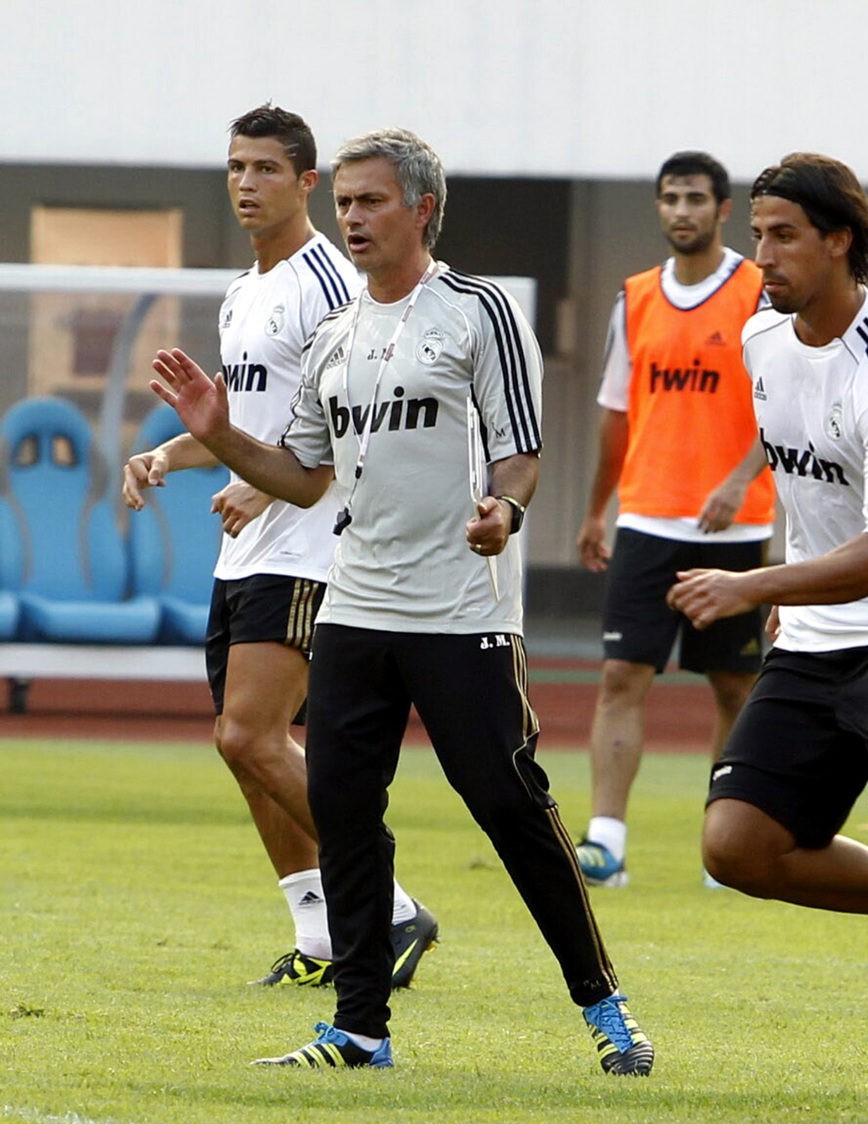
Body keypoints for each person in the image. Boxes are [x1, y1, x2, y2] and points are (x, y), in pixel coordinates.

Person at [149, 127, 654, 1075]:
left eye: (371, 201)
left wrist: (503, 507)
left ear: (422, 208)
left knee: (508, 805)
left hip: (461, 610)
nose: (352, 218)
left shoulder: (480, 313)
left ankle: (606, 1009)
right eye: (344, 201)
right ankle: (360, 1030)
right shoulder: (338, 334)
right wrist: (218, 435)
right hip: (354, 606)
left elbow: (521, 452)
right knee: (342, 805)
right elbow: (301, 476)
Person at [667, 152, 868, 1124]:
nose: (758, 253)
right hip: (810, 631)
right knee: (737, 845)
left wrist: (748, 580)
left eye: (780, 235)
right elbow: (802, 469)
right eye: (755, 233)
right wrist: (785, 583)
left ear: (838, 239)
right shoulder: (764, 339)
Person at [123, 105, 437, 990]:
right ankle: (320, 935)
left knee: (251, 734)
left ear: (306, 183)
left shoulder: (329, 283)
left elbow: (361, 413)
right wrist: (166, 452)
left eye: (265, 169)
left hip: (311, 540)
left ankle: (395, 905)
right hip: (245, 549)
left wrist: (267, 483)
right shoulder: (242, 291)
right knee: (242, 746)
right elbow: (243, 425)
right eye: (235, 168)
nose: (246, 184)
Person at [575, 151, 776, 890]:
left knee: (734, 685)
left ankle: (726, 843)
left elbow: (786, 404)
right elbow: (615, 415)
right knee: (622, 674)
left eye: (695, 198)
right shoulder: (634, 299)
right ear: (659, 208)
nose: (682, 210)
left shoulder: (759, 294)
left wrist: (738, 478)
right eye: (670, 198)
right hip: (648, 521)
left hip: (735, 529)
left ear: (723, 210)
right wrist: (598, 509)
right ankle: (606, 843)